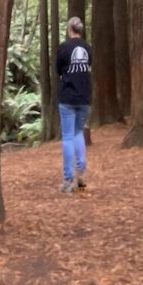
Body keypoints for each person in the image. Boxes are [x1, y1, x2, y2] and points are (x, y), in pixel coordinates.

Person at [55, 16, 92, 193]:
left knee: (68, 136)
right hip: (84, 98)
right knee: (78, 133)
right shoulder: (88, 48)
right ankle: (82, 172)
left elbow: (57, 70)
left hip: (67, 98)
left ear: (69, 29)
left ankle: (69, 179)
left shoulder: (64, 48)